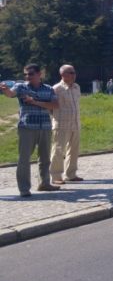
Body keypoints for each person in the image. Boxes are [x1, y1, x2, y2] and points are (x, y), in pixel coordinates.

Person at [0, 64, 60, 197]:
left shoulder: (49, 89)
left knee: (44, 158)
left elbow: (55, 105)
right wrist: (5, 90)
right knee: (24, 159)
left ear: (40, 74)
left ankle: (44, 183)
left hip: (45, 127)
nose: (28, 77)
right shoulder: (21, 87)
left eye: (31, 74)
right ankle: (24, 189)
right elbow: (10, 94)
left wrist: (35, 102)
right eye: (25, 74)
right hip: (27, 127)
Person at [50, 64, 83, 184]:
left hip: (75, 123)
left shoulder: (77, 87)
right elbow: (51, 107)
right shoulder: (56, 89)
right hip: (61, 124)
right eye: (71, 72)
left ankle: (71, 174)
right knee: (58, 151)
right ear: (63, 75)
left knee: (73, 150)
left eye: (74, 72)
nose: (74, 75)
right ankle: (56, 176)